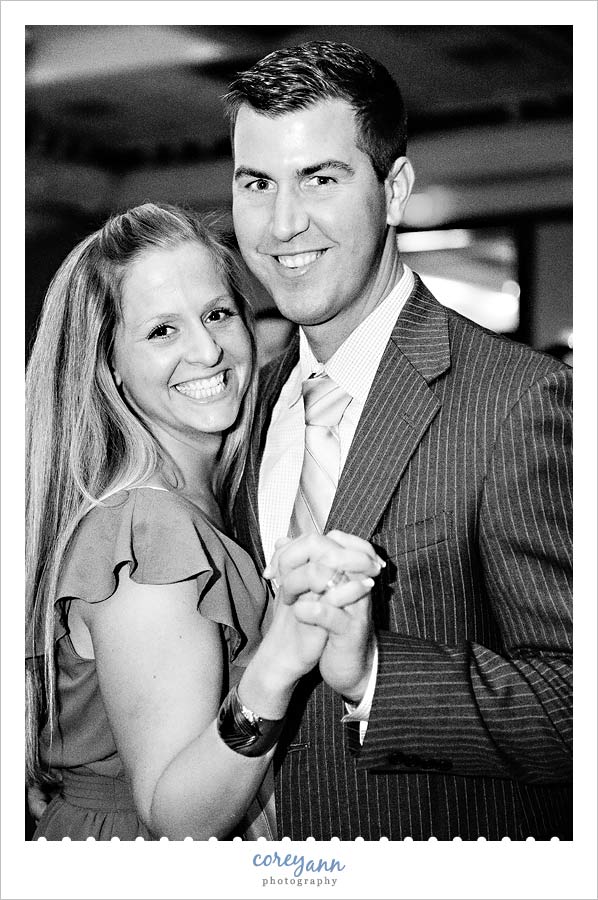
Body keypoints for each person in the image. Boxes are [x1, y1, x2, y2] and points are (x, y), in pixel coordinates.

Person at [225, 41, 573, 840]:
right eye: (256, 184)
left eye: (320, 178)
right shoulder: (251, 406)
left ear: (395, 189)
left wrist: (377, 672)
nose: (282, 224)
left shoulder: (520, 400)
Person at [25, 201, 382, 840]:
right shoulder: (147, 525)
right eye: (162, 330)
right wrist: (279, 661)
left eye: (217, 314)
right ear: (107, 364)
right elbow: (178, 815)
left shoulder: (201, 501)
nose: (207, 347)